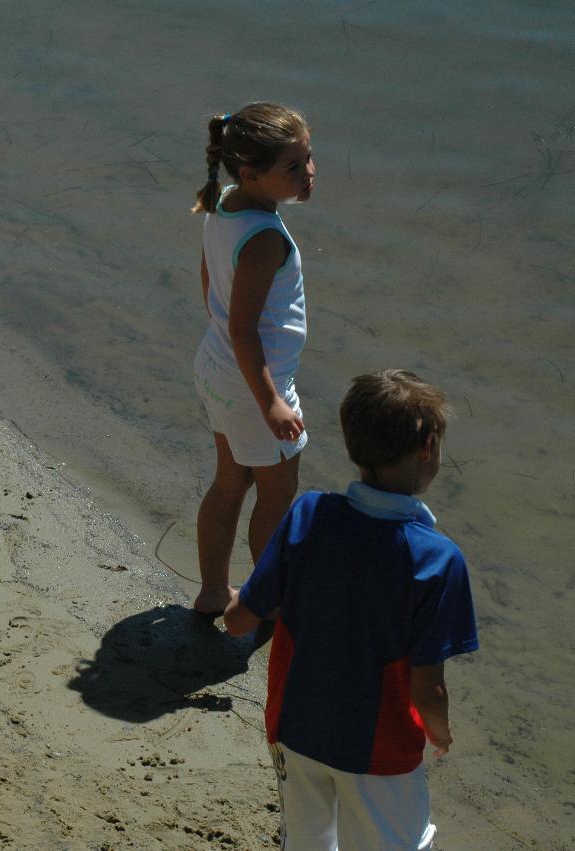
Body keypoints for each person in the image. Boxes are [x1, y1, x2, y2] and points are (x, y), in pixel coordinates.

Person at [225, 369, 478, 850]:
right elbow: (429, 687)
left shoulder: (309, 513)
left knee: (308, 839)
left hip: (293, 726)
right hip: (380, 748)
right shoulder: (438, 560)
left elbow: (240, 620)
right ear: (427, 448)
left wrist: (233, 602)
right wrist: (440, 734)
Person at [190, 102, 317, 615]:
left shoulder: (224, 201)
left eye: (309, 157)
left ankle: (213, 591)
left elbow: (210, 286)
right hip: (254, 384)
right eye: (293, 166)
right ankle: (266, 603)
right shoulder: (265, 238)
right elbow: (245, 329)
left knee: (230, 481)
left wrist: (227, 340)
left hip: (217, 366)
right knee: (277, 491)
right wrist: (270, 404)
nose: (309, 172)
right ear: (251, 173)